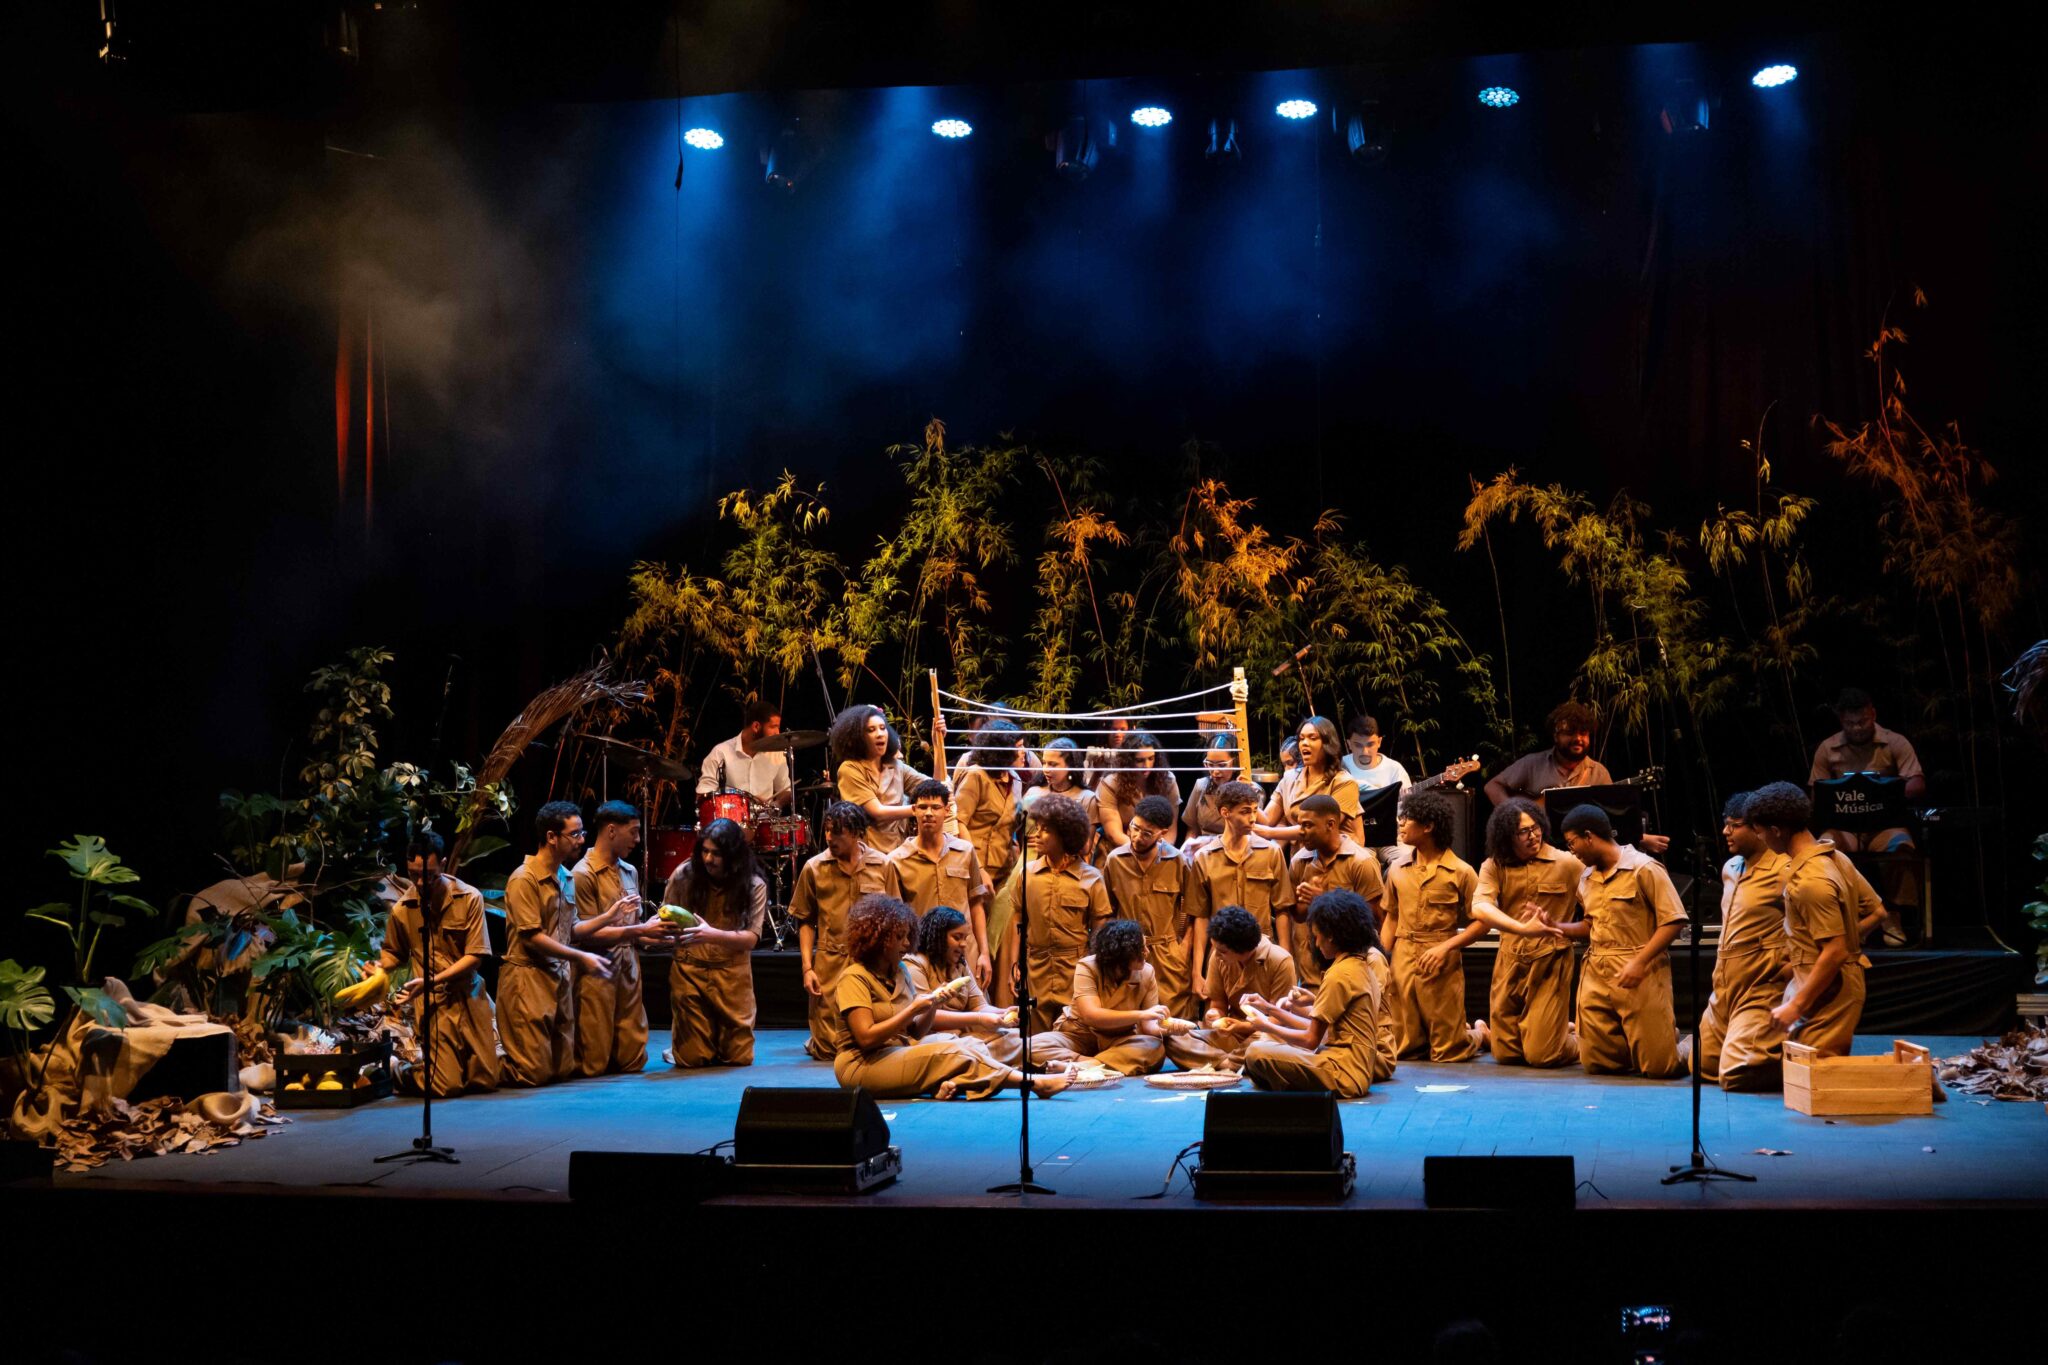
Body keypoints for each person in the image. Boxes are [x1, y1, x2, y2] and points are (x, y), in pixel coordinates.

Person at [832, 894, 1072, 1100]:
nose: (906, 943)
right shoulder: (854, 977)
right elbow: (865, 1038)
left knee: (970, 1044)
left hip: (899, 1049)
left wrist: (933, 1005)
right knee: (952, 1053)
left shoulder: (900, 972)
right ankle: (1032, 1084)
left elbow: (916, 1032)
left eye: (908, 936)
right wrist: (915, 1008)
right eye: (899, 937)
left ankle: (955, 1084)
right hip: (862, 1064)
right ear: (877, 939)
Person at [1542, 804, 1687, 1078]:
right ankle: (1648, 1040)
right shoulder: (1586, 877)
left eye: (1573, 843)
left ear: (1589, 836)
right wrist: (1556, 926)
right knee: (1598, 1063)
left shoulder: (1643, 868)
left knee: (1660, 1068)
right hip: (1597, 967)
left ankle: (1680, 1044)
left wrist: (1640, 962)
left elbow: (1673, 920)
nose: (1572, 850)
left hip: (1638, 964)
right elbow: (1590, 924)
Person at [362, 830, 500, 1095]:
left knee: (484, 1080)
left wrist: (432, 979)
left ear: (444, 864)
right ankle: (397, 1073)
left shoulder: (469, 898)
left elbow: (477, 955)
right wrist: (381, 967)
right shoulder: (403, 909)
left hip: (469, 993)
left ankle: (440, 1066)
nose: (422, 882)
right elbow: (395, 951)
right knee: (446, 1084)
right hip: (434, 1002)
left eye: (430, 874)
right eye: (414, 875)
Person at [499, 801, 617, 1087]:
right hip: (528, 978)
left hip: (558, 976)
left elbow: (571, 928)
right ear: (552, 837)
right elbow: (533, 938)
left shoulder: (565, 877)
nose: (581, 840)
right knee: (532, 1073)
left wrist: (609, 917)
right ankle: (478, 1063)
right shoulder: (523, 879)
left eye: (581, 833)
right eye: (574, 834)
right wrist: (581, 958)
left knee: (562, 1068)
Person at [1749, 781, 1869, 1056]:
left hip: (1830, 988)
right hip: (1819, 980)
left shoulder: (1811, 880)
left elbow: (1836, 951)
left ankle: (1908, 1080)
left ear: (1776, 830)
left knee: (1819, 1078)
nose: (1761, 840)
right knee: (1800, 1075)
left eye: (1760, 832)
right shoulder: (1835, 858)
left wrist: (1796, 1006)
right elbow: (1875, 911)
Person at [1683, 792, 1792, 1090]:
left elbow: (1813, 924)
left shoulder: (1785, 869)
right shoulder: (1731, 868)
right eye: (1725, 824)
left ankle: (1797, 1062)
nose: (1725, 832)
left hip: (1761, 983)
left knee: (1735, 1074)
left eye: (1735, 825)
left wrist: (1791, 964)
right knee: (1701, 1065)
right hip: (1726, 983)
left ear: (1758, 829)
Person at [1240, 889, 1390, 1097]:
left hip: (1344, 1073)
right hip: (1357, 1069)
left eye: (1318, 937)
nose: (1317, 944)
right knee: (1273, 1050)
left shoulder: (1339, 973)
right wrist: (1268, 1008)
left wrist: (1264, 1024)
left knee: (1255, 1052)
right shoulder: (1361, 965)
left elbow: (1311, 1038)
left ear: (1332, 937)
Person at [1469, 798, 1583, 1068]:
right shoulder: (1494, 865)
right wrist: (1521, 928)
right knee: (1507, 1055)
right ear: (1507, 836)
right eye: (1523, 832)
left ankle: (1587, 1039)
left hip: (1549, 962)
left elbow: (1598, 901)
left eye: (1535, 828)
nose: (1533, 836)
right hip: (1510, 960)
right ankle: (1492, 1034)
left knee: (1542, 1056)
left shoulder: (1566, 863)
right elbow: (1480, 906)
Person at [1810, 687, 1924, 943]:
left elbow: (1917, 783)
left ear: (1873, 714)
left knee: (1902, 846)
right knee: (1822, 850)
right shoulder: (1827, 749)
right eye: (1850, 723)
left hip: (1885, 826)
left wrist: (1887, 792)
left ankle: (1894, 915)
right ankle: (1847, 919)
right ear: (1842, 721)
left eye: (1862, 721)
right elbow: (1816, 794)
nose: (1858, 728)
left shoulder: (1895, 742)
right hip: (1844, 828)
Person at [788, 801, 901, 1060]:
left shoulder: (882, 865)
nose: (830, 837)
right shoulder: (814, 868)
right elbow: (805, 920)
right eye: (827, 830)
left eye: (837, 832)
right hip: (831, 961)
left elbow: (897, 916)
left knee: (873, 1035)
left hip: (871, 962)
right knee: (830, 1047)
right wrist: (807, 968)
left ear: (856, 832)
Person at [1382, 788, 1488, 1063]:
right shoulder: (1397, 869)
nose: (1400, 823)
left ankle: (1479, 1034)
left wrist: (1446, 948)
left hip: (1441, 953)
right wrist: (1382, 959)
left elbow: (1483, 922)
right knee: (1405, 1049)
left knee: (1448, 1051)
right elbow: (1391, 916)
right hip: (1404, 951)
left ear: (1428, 826)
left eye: (1407, 819)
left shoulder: (1462, 871)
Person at [660, 816, 769, 1068]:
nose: (708, 859)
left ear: (733, 856)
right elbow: (665, 916)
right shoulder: (684, 875)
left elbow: (751, 939)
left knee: (738, 1058)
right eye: (705, 851)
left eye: (716, 854)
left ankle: (708, 1039)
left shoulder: (753, 884)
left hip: (732, 974)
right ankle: (683, 1044)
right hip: (691, 971)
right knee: (694, 1058)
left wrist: (709, 933)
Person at [569, 800, 663, 1077]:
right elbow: (585, 932)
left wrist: (654, 932)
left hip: (628, 967)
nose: (637, 840)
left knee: (632, 1057)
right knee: (594, 1061)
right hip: (598, 971)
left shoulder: (629, 871)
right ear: (611, 831)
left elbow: (634, 924)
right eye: (633, 832)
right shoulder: (582, 874)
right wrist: (639, 931)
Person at [1008, 792, 1115, 1034]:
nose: (1037, 835)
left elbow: (1099, 933)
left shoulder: (1091, 878)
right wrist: (1015, 963)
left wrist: (1094, 973)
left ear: (1064, 834)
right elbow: (1018, 920)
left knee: (1073, 1032)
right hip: (1035, 967)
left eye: (1045, 830)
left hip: (1074, 968)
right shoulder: (1028, 874)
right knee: (1035, 1037)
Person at [1183, 780, 1294, 999]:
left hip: (1262, 952)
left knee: (1266, 1018)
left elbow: (1282, 909)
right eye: (1245, 812)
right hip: (1221, 956)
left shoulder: (1270, 852)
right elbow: (1200, 916)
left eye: (1254, 811)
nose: (1252, 818)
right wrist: (1197, 972)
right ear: (1225, 812)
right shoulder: (1205, 858)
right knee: (1218, 1017)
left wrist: (1285, 955)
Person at [1026, 919, 1170, 1076]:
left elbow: (1149, 1027)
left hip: (1118, 1040)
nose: (1147, 952)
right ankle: (1096, 1064)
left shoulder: (1147, 973)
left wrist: (1169, 1028)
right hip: (1079, 1035)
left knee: (1153, 1047)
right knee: (1029, 1046)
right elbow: (1091, 1015)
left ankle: (1084, 1066)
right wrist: (1141, 1014)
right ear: (1122, 953)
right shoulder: (1087, 967)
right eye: (1141, 949)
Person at [1165, 904, 1296, 1071]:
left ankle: (1225, 1063)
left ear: (1242, 948)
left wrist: (1243, 1026)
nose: (1217, 955)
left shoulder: (1280, 960)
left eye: (1222, 951)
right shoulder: (1218, 957)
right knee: (1173, 1038)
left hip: (1266, 1032)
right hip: (1232, 1034)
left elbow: (1279, 1020)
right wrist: (1215, 1015)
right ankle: (1231, 1063)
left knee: (1263, 1045)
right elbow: (1218, 1004)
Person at [1101, 794, 1198, 1019]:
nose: (1137, 837)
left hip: (1167, 952)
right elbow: (1106, 912)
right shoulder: (1116, 860)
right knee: (1132, 1018)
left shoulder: (1176, 861)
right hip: (1128, 953)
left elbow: (1194, 911)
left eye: (1147, 833)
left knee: (1174, 1019)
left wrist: (1183, 949)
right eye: (1134, 828)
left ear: (1162, 834)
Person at [888, 778, 992, 980]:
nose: (928, 813)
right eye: (923, 807)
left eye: (935, 807)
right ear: (914, 810)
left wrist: (984, 954)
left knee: (973, 1006)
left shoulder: (965, 851)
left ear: (947, 811)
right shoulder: (897, 860)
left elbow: (976, 905)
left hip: (964, 953)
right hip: (921, 956)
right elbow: (896, 919)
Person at [1286, 792, 1385, 995]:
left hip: (1353, 973)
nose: (1300, 832)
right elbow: (1296, 916)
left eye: (1307, 825)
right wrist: (1310, 903)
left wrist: (1324, 900)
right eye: (1299, 825)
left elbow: (1375, 919)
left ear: (1331, 824)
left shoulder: (1361, 862)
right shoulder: (1299, 861)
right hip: (1311, 971)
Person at [901, 906, 1022, 1065]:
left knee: (1015, 1037)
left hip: (961, 1037)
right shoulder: (915, 964)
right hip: (930, 1039)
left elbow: (978, 1005)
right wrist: (978, 1019)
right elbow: (925, 1018)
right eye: (957, 937)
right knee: (972, 1048)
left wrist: (1002, 1012)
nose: (964, 944)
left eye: (965, 938)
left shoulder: (960, 965)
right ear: (938, 937)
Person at [829, 703, 931, 855]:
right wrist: (919, 809)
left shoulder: (895, 765)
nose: (880, 734)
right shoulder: (849, 769)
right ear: (858, 737)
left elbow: (934, 786)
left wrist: (938, 741)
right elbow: (877, 811)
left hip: (899, 851)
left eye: (883, 728)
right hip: (868, 855)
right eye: (871, 730)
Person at [1258, 716, 1365, 846]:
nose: (1304, 743)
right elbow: (1267, 820)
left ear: (1327, 743)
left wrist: (1269, 833)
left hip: (1338, 857)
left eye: (1312, 738)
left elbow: (1319, 828)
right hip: (1302, 858)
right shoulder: (1289, 778)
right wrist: (1249, 797)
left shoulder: (1344, 782)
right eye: (1301, 738)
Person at [1484, 701, 1614, 805]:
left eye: (1583, 733)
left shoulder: (1599, 773)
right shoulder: (1532, 764)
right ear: (1556, 736)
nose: (1578, 739)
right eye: (1570, 732)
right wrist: (1515, 817)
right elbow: (1492, 786)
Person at [953, 719, 1027, 896]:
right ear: (1002, 752)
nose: (1023, 752)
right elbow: (958, 822)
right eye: (1019, 747)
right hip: (974, 867)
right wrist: (978, 869)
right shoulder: (976, 775)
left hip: (1003, 869)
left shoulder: (1015, 779)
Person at [695, 698, 793, 811]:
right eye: (773, 727)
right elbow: (702, 795)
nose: (777, 733)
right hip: (731, 823)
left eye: (778, 727)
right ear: (756, 726)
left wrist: (775, 805)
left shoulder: (777, 754)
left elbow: (785, 790)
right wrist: (737, 802)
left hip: (765, 822)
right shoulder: (720, 753)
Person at [1095, 729, 1181, 851]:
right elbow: (1114, 834)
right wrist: (1140, 852)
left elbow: (1171, 831)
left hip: (1158, 852)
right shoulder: (1110, 784)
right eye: (1140, 760)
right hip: (1119, 851)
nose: (1146, 765)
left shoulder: (1167, 781)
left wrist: (1157, 853)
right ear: (1128, 760)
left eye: (1151, 758)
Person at [1180, 734, 1245, 855]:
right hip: (1202, 854)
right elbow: (1192, 829)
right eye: (1210, 764)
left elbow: (1251, 834)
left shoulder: (1249, 790)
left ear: (1235, 763)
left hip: (1235, 852)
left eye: (1221, 765)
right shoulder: (1201, 786)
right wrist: (1187, 852)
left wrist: (1210, 843)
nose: (1215, 771)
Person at [1341, 713, 1412, 794]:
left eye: (1370, 744)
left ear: (1379, 742)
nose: (1365, 751)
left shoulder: (1395, 770)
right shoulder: (1338, 767)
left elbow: (1408, 804)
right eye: (1358, 745)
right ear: (1349, 744)